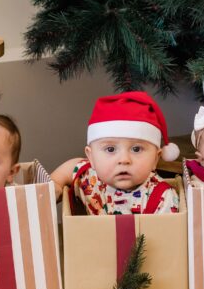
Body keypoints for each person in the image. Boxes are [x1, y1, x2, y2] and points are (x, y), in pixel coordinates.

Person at [51, 91, 180, 214]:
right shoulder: (89, 179)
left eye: (136, 149)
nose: (124, 160)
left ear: (155, 159)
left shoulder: (163, 197)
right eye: (110, 149)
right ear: (91, 158)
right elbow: (71, 167)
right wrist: (55, 184)